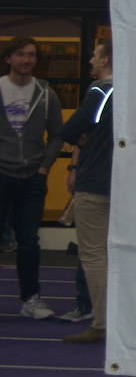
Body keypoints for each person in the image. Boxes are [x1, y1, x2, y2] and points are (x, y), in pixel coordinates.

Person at [50, 41, 113, 345]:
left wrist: (81, 137)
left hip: (97, 182)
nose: (90, 60)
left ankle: (101, 323)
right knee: (122, 255)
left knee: (94, 254)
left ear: (106, 60)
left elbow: (70, 129)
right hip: (127, 184)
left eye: (95, 55)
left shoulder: (102, 90)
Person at [1, 36, 64, 322]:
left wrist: (45, 167)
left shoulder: (46, 93)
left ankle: (31, 299)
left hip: (32, 179)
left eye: (31, 55)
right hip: (2, 175)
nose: (26, 60)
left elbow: (58, 134)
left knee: (29, 241)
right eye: (20, 54)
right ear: (8, 59)